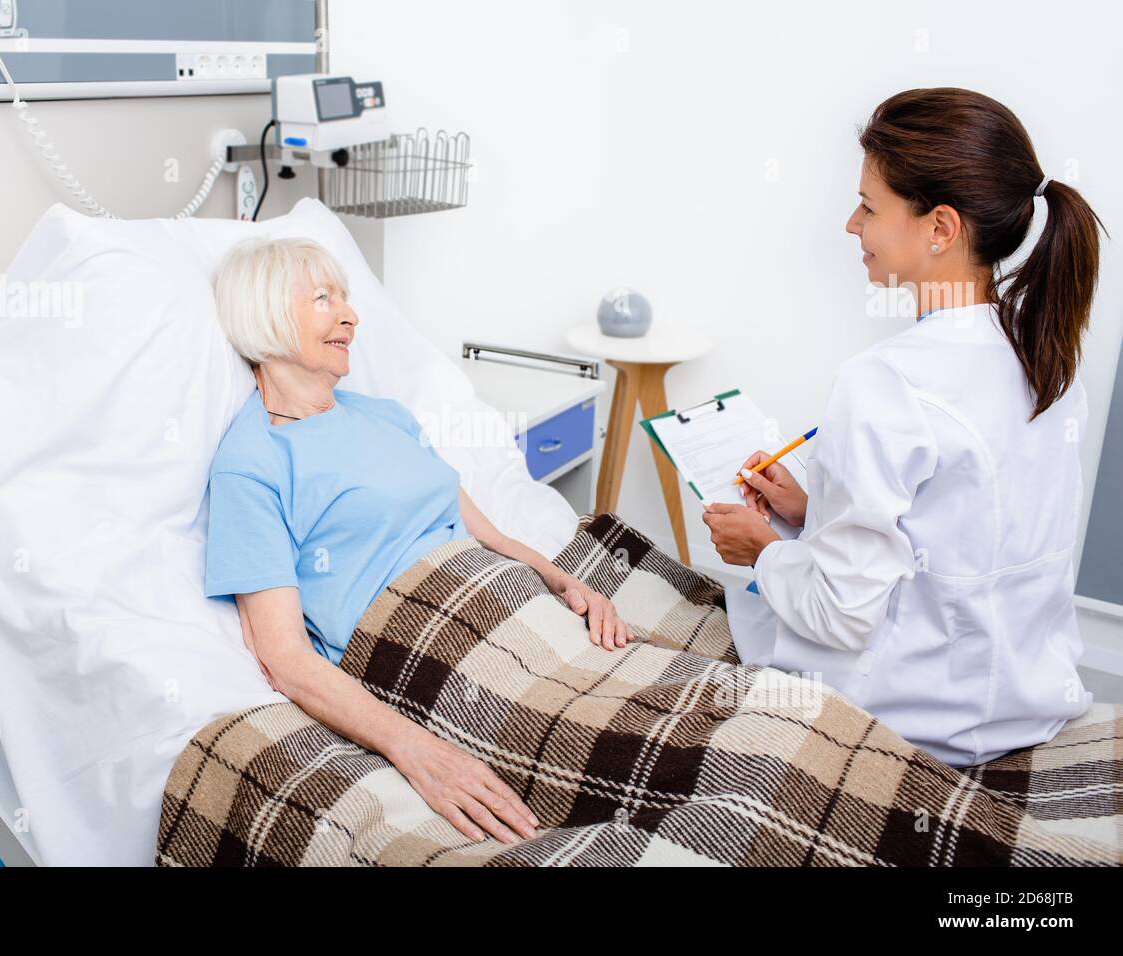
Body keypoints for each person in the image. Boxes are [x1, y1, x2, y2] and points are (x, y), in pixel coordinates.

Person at [702, 87, 1106, 766]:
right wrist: (810, 510)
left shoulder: (885, 381)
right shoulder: (1048, 356)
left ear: (940, 228)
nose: (851, 226)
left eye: (868, 206)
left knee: (756, 615)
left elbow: (839, 612)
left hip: (911, 718)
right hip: (1027, 698)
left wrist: (763, 550)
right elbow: (967, 542)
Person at [205, 236, 633, 845]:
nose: (349, 315)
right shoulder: (253, 465)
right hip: (431, 650)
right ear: (265, 315)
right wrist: (419, 751)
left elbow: (482, 528)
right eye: (323, 299)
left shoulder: (385, 415)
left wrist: (563, 580)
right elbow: (285, 658)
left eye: (347, 298)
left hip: (509, 604)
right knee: (741, 768)